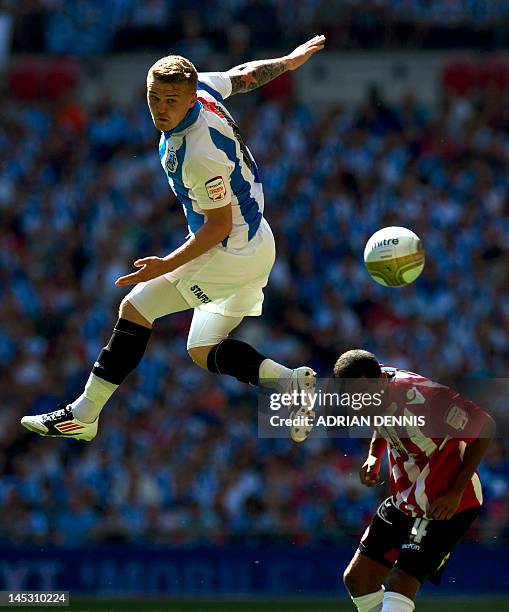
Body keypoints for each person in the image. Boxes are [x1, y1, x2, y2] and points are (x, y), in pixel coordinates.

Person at [21, 36, 326, 443]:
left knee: (136, 307)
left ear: (187, 99)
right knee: (202, 349)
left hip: (229, 249)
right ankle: (291, 383)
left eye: (170, 100)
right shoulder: (203, 91)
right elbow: (242, 76)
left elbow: (216, 226)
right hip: (255, 239)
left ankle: (84, 414)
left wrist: (167, 264)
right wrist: (286, 63)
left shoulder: (197, 153)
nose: (161, 109)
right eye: (154, 98)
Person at [334, 349, 494, 612]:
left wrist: (454, 492)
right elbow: (382, 418)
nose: (357, 403)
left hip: (445, 502)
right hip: (405, 498)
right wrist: (375, 455)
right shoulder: (370, 386)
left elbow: (485, 425)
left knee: (401, 583)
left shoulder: (425, 397)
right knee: (358, 579)